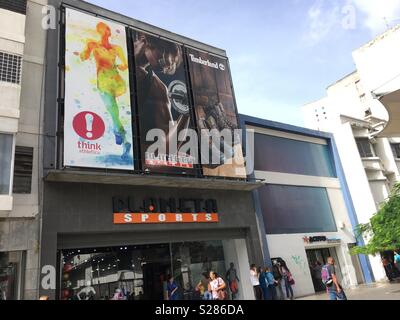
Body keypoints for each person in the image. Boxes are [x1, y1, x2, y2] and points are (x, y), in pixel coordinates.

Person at [80, 22, 131, 160]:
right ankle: (123, 138)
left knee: (112, 108)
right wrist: (84, 52)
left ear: (108, 32)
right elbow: (83, 56)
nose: (104, 32)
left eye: (106, 29)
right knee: (112, 109)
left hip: (115, 80)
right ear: (99, 32)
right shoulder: (93, 45)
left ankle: (119, 134)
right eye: (101, 30)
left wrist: (122, 66)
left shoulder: (117, 48)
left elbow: (126, 64)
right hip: (103, 81)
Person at [134, 33, 190, 156]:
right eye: (162, 57)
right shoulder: (110, 48)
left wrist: (186, 113)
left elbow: (168, 148)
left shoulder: (158, 88)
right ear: (144, 39)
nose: (164, 66)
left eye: (165, 63)